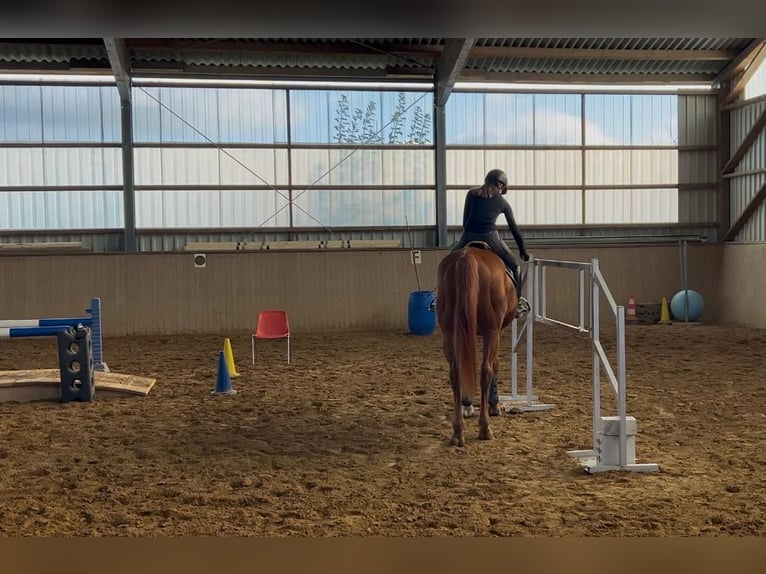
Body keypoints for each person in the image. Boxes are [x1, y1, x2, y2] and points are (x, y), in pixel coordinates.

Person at [451, 168, 531, 316]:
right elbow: (514, 229)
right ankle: (517, 303)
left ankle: (443, 298)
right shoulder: (502, 202)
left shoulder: (471, 193)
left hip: (467, 235)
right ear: (499, 184)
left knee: (448, 261)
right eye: (502, 187)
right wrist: (522, 250)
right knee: (515, 267)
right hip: (490, 236)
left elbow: (465, 221)